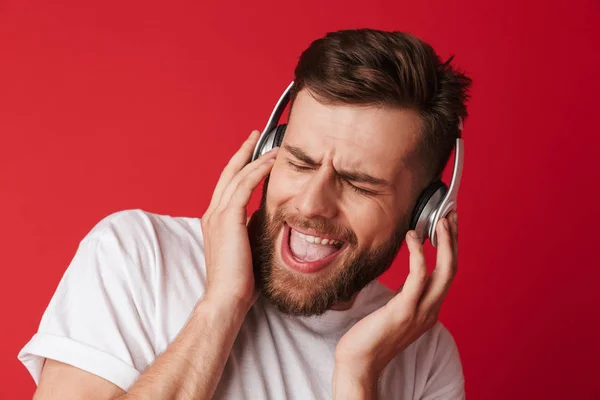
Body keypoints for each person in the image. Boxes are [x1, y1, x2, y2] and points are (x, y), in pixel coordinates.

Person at [19, 28, 471, 399]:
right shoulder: (137, 254)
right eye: (299, 161)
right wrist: (222, 304)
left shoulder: (422, 354)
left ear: (423, 213)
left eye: (358, 184)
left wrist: (358, 374)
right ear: (269, 151)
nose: (312, 203)